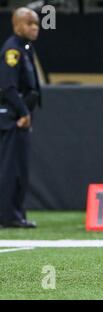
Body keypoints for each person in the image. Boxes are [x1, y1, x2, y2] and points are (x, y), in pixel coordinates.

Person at [0, 7, 41, 228]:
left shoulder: (25, 47)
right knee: (11, 168)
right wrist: (24, 112)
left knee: (19, 168)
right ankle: (8, 216)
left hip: (20, 116)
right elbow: (7, 87)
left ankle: (15, 214)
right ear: (17, 25)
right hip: (13, 118)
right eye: (29, 23)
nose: (35, 27)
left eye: (36, 23)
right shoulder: (12, 51)